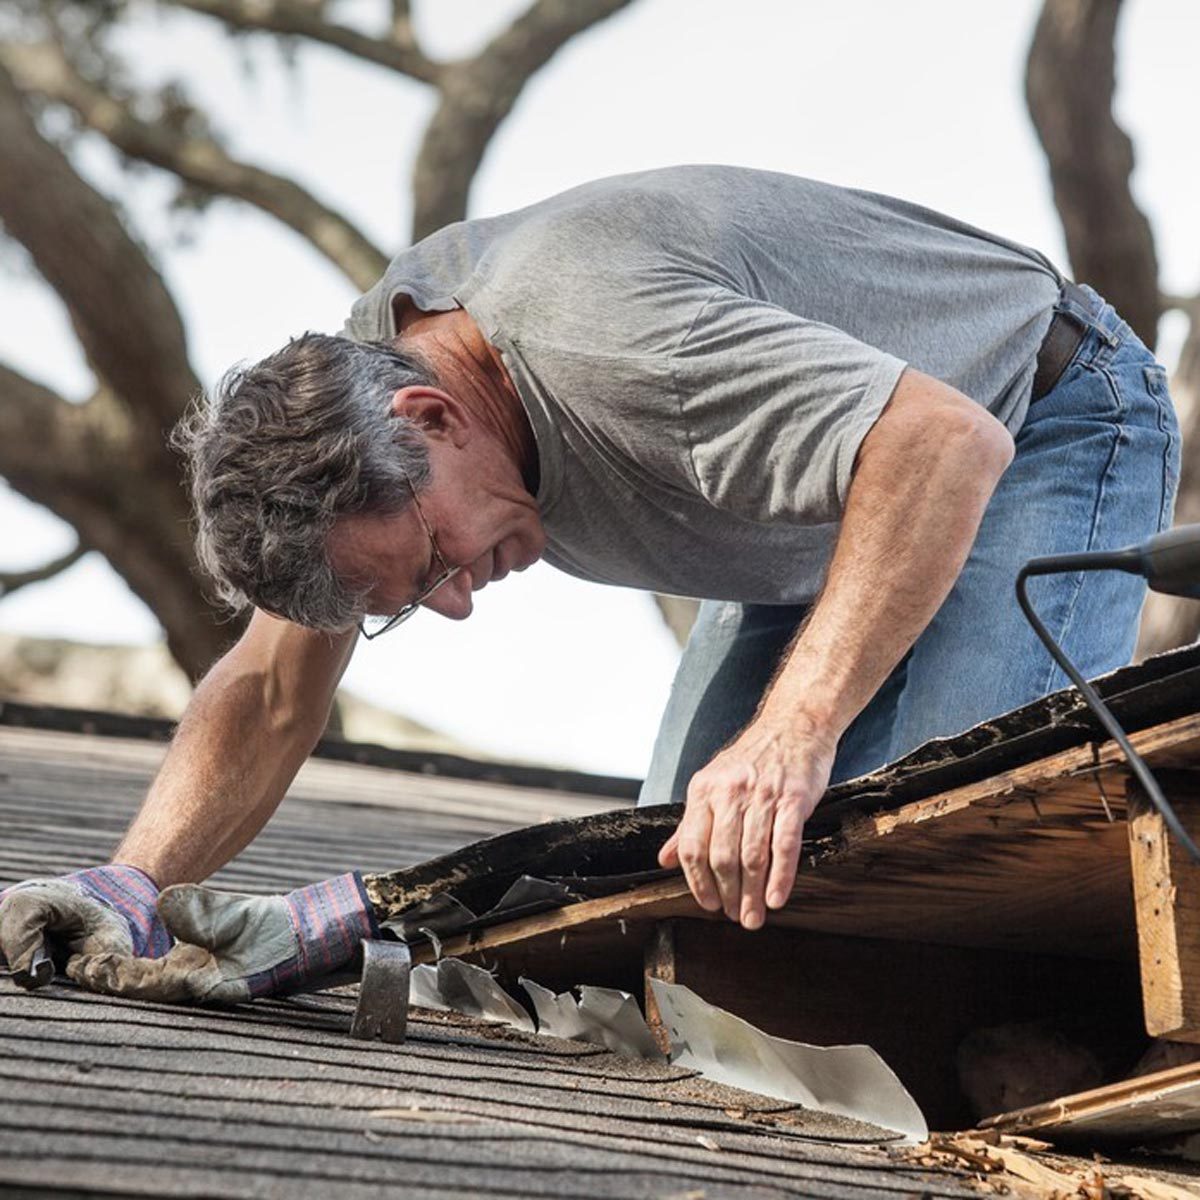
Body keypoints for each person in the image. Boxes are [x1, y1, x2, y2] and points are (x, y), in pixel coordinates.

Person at [0, 166, 1180, 1001]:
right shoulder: (356, 394)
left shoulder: (607, 345)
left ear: (431, 417)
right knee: (688, 889)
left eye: (429, 565)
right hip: (823, 500)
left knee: (929, 862)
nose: (454, 600)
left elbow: (940, 446)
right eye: (405, 604)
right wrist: (133, 886)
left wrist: (794, 733)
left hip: (1038, 417)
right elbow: (266, 689)